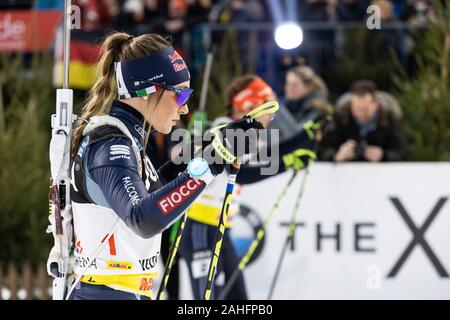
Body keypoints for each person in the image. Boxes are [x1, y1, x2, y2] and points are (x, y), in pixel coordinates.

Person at [67, 32, 262, 300]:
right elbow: (143, 218)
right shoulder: (112, 145)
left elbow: (153, 189)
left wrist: (214, 143)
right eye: (181, 96)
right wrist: (212, 161)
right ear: (149, 90)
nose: (184, 109)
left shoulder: (128, 142)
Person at [179, 75, 328, 300]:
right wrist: (291, 157)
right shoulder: (225, 127)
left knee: (238, 297)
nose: (271, 117)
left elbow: (270, 156)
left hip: (220, 227)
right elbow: (243, 175)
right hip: (201, 226)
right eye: (267, 108)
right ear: (249, 107)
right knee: (209, 298)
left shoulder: (248, 135)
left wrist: (303, 141)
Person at [318, 80, 406, 162]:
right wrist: (337, 155)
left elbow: (402, 153)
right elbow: (321, 151)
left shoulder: (389, 119)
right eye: (357, 109)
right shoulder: (339, 119)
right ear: (351, 105)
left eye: (365, 110)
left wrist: (383, 155)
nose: (361, 114)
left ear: (376, 104)